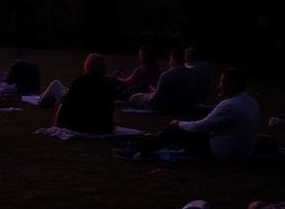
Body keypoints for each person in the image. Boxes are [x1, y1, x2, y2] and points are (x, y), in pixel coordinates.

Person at [114, 68, 262, 162]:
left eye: (222, 82)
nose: (218, 86)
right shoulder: (250, 101)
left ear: (232, 85)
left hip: (221, 154)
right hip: (241, 152)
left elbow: (200, 127)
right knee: (187, 122)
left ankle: (137, 151)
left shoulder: (229, 105)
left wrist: (178, 124)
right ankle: (141, 145)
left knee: (177, 129)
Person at [53, 53, 117, 134]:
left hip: (81, 125)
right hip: (103, 126)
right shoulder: (110, 83)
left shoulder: (80, 81)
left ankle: (56, 126)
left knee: (61, 106)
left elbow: (67, 102)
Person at [129, 48, 197, 113]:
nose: (169, 61)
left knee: (134, 97)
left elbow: (155, 97)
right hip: (185, 103)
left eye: (170, 58)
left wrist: (152, 92)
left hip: (167, 104)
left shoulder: (167, 74)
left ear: (173, 59)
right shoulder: (191, 72)